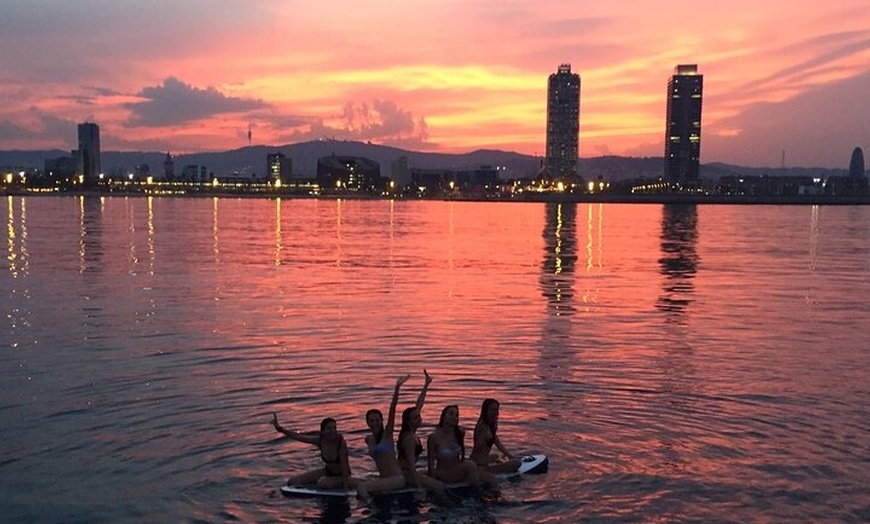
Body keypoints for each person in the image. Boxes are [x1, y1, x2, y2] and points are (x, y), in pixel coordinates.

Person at [356, 374, 411, 501]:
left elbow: (393, 409)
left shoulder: (387, 434)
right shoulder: (368, 439)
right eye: (371, 420)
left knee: (361, 487)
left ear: (381, 421)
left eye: (377, 420)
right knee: (360, 481)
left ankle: (369, 509)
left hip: (396, 479)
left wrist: (397, 388)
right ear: (367, 422)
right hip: (384, 478)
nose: (375, 423)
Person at [271, 413, 353, 489]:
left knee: (322, 483)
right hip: (327, 471)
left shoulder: (340, 442)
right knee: (292, 482)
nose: (333, 431)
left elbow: (345, 466)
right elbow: (300, 437)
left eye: (335, 428)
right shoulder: (320, 441)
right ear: (323, 431)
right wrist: (281, 429)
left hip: (342, 475)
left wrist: (345, 489)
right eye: (329, 428)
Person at [396, 371, 446, 498]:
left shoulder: (411, 432)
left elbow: (419, 405)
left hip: (407, 471)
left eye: (419, 416)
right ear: (408, 422)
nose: (419, 419)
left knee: (433, 473)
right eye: (415, 418)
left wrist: (426, 385)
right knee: (439, 486)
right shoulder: (409, 439)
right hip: (405, 474)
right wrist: (419, 486)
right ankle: (441, 507)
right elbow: (412, 467)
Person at [427, 404, 496, 487]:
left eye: (456, 415)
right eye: (451, 414)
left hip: (458, 470)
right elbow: (430, 462)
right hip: (444, 473)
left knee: (491, 478)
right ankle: (476, 493)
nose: (454, 417)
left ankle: (496, 497)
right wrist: (434, 482)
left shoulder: (460, 433)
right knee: (470, 465)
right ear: (443, 417)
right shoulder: (434, 437)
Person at [470, 398, 521, 474]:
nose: (495, 412)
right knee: (516, 463)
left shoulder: (490, 425)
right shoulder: (482, 426)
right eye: (492, 410)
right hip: (480, 467)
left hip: (479, 461)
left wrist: (510, 456)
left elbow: (498, 444)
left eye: (497, 410)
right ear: (485, 411)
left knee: (496, 456)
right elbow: (479, 445)